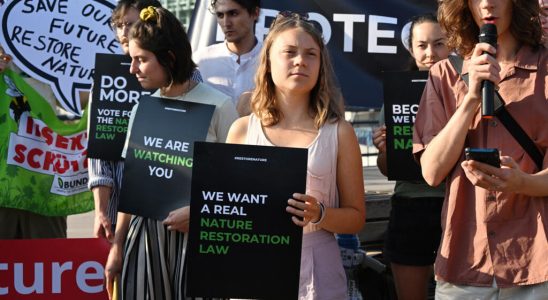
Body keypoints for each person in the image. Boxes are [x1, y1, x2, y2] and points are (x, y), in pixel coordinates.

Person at [226, 11, 366, 299]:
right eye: (289, 52)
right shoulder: (241, 131)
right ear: (268, 61)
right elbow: (227, 211)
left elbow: (356, 217)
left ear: (321, 65)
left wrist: (321, 214)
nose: (301, 60)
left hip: (317, 271)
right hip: (252, 268)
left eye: (311, 54)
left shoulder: (340, 133)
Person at [413, 0, 548, 298]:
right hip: (466, 261)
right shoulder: (443, 74)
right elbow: (432, 172)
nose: (487, 3)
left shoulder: (545, 68)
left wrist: (522, 182)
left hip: (537, 262)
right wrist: (471, 97)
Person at [104, 6, 237, 299]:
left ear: (170, 58)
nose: (132, 69)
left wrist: (200, 213)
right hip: (145, 242)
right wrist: (118, 247)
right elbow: (133, 185)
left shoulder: (220, 106)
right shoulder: (142, 108)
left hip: (198, 239)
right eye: (132, 59)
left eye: (141, 60)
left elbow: (237, 182)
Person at [87, 0, 204, 242]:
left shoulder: (190, 78)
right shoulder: (105, 77)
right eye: (118, 25)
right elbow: (100, 155)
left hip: (176, 216)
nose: (123, 32)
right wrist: (101, 211)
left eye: (130, 23)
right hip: (118, 217)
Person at [372, 13, 449, 300]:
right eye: (422, 45)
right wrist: (385, 150)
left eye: (439, 43)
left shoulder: (471, 89)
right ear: (412, 50)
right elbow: (386, 168)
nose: (431, 53)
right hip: (410, 205)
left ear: (452, 44)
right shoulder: (397, 94)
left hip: (457, 204)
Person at [0, 44, 67, 239]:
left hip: (43, 181)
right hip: (4, 185)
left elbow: (79, 99)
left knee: (48, 260)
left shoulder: (50, 47)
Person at [193, 0, 261, 114]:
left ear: (255, 13)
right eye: (220, 15)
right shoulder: (200, 60)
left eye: (233, 14)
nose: (226, 23)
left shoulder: (273, 60)